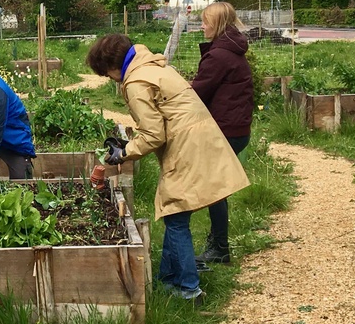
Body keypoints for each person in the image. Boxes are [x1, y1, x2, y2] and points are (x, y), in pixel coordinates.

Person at [86, 33, 249, 301]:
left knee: (175, 216)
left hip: (186, 146)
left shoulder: (136, 82)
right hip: (199, 139)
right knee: (175, 212)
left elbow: (153, 135)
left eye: (107, 74)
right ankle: (167, 280)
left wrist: (124, 153)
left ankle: (188, 289)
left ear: (112, 66)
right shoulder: (154, 66)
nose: (111, 79)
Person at [192, 2, 254, 266]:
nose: (202, 26)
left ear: (216, 25)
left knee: (215, 188)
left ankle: (220, 248)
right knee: (216, 186)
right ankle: (218, 244)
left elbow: (197, 94)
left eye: (205, 22)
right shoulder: (231, 50)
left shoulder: (219, 56)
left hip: (225, 129)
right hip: (236, 128)